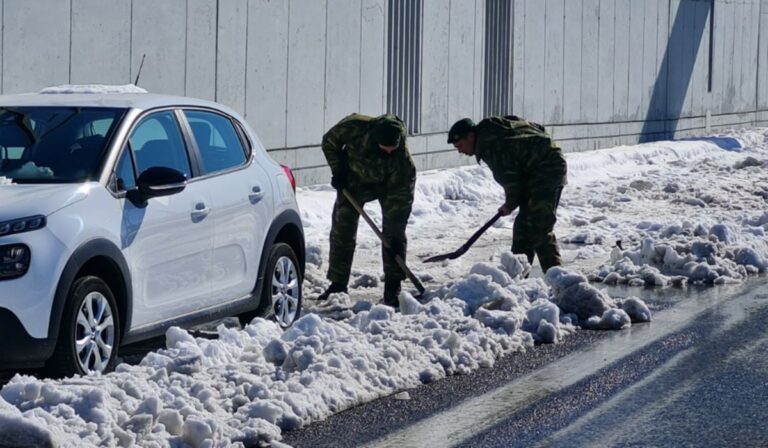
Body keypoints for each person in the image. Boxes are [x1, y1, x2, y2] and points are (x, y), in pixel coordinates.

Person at [317, 113, 416, 307]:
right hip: (355, 179)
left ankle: (393, 286)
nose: (389, 152)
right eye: (384, 149)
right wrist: (338, 171)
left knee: (394, 234)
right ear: (374, 140)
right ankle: (337, 284)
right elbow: (328, 142)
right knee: (342, 227)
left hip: (392, 184)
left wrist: (395, 231)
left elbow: (401, 202)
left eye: (392, 150)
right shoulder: (354, 127)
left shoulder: (403, 164)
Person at [447, 115, 567, 273]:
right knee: (522, 229)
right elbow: (536, 128)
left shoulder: (491, 146)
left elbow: (511, 180)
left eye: (460, 145)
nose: (460, 151)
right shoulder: (495, 128)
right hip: (533, 171)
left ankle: (559, 280)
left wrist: (509, 204)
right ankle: (516, 278)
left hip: (548, 169)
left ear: (471, 136)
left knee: (539, 228)